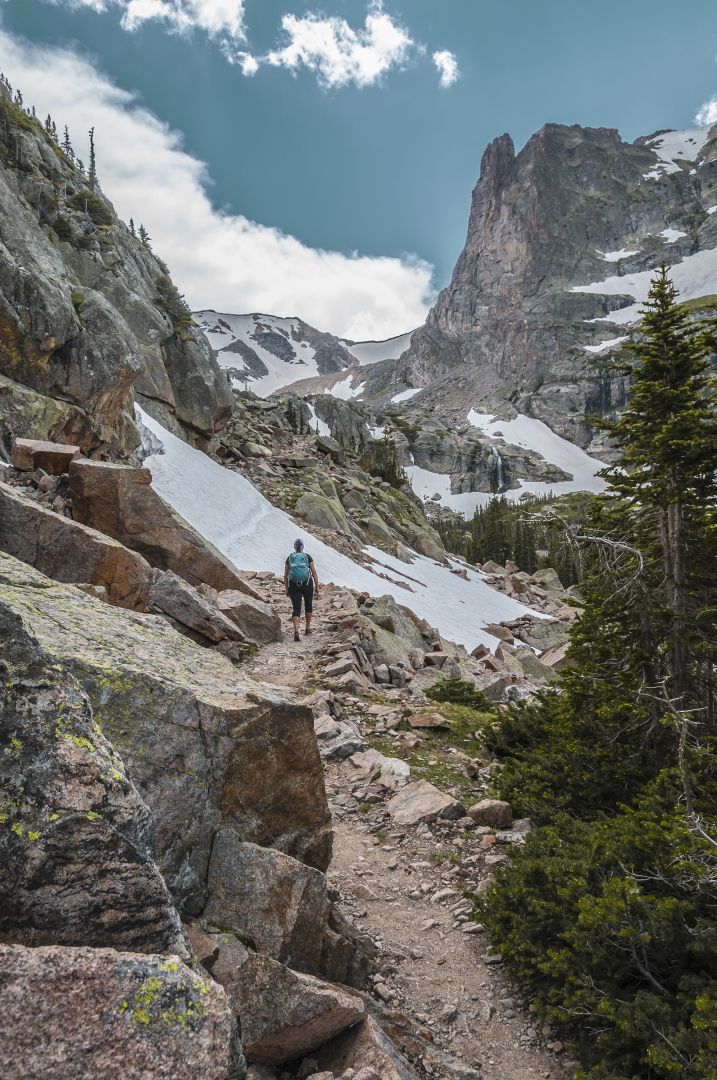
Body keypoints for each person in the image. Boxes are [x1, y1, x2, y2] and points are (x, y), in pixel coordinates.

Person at [284, 538, 320, 641]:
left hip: (293, 585)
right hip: (307, 583)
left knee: (296, 608)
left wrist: (286, 589)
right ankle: (307, 629)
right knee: (308, 605)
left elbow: (285, 575)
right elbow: (314, 572)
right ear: (302, 547)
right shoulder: (307, 557)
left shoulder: (290, 557)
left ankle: (296, 631)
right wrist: (317, 587)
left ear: (294, 547)